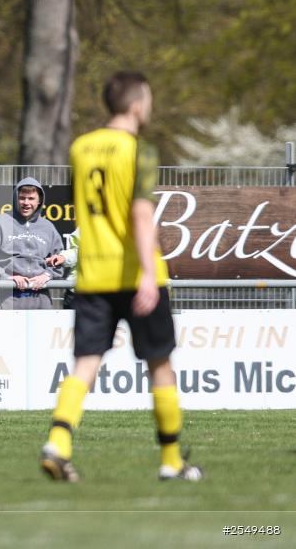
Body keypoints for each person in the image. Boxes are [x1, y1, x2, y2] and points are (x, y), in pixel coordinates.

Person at [40, 71, 202, 483]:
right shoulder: (140, 151)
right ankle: (170, 461)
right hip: (133, 273)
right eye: (147, 99)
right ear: (136, 105)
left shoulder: (80, 148)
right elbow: (140, 213)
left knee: (86, 362)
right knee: (160, 364)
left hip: (93, 275)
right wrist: (149, 274)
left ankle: (58, 442)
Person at [0, 177, 64, 309]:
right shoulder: (0, 223)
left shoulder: (48, 227)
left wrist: (47, 275)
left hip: (41, 296)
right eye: (22, 198)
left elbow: (60, 259)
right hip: (10, 295)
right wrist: (5, 277)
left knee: (43, 330)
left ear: (39, 201)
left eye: (31, 198)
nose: (26, 203)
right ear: (16, 198)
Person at [46, 228, 79, 309]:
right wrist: (63, 257)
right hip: (79, 292)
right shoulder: (88, 226)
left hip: (111, 292)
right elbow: (76, 250)